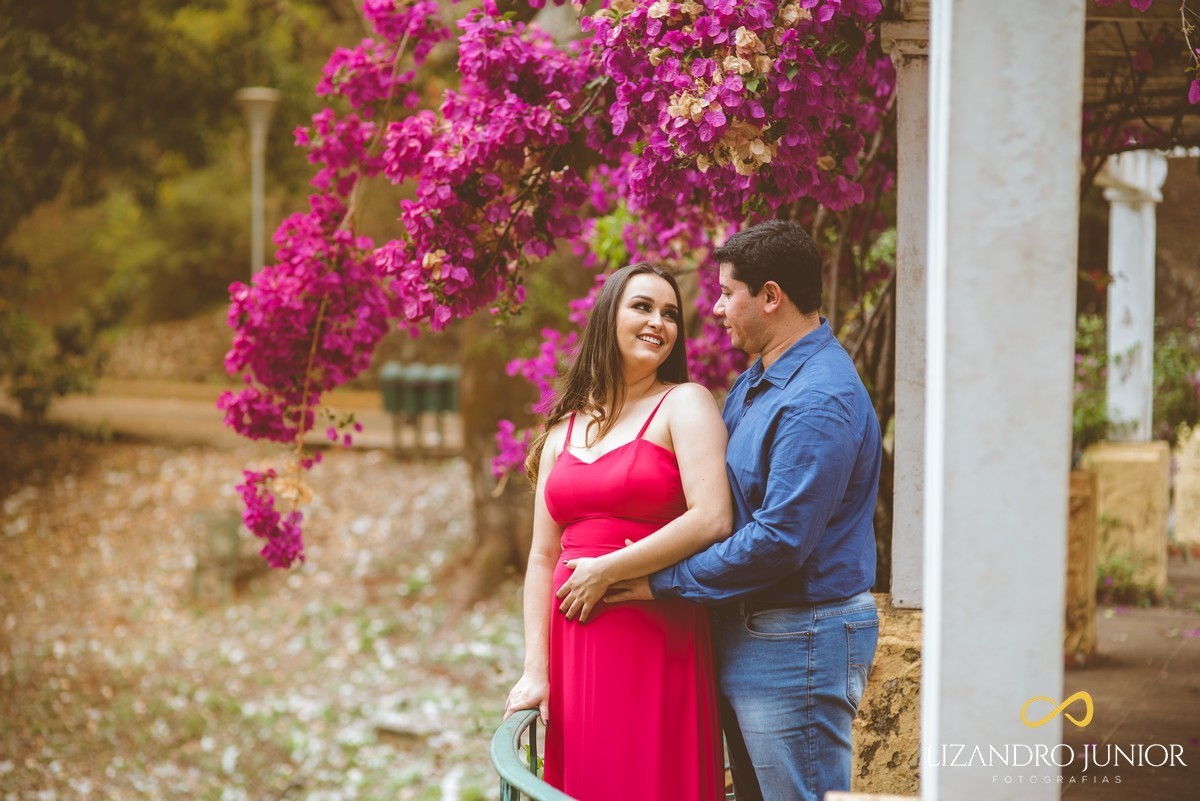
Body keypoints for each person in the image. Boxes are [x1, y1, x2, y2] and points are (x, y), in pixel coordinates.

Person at [562, 220, 882, 801]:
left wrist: (657, 581)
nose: (715, 308)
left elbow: (779, 540)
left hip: (798, 639)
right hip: (755, 632)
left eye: (727, 292)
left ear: (770, 296)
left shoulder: (818, 399)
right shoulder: (760, 382)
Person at [502, 262, 733, 801]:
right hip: (574, 646)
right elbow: (541, 558)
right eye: (643, 307)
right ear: (608, 317)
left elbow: (713, 517)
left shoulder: (685, 402)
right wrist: (536, 670)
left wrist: (607, 570)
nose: (659, 322)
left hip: (655, 633)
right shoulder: (563, 430)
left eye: (670, 314)